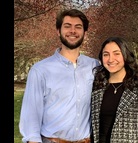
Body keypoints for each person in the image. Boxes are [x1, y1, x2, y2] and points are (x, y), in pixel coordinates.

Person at [19, 9, 100, 143]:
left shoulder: (96, 67)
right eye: (67, 26)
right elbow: (30, 119)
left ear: (85, 33)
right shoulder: (40, 70)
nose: (72, 31)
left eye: (78, 27)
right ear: (58, 31)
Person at [91, 37, 138, 143]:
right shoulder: (97, 86)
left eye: (116, 53)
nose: (111, 59)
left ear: (125, 55)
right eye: (106, 54)